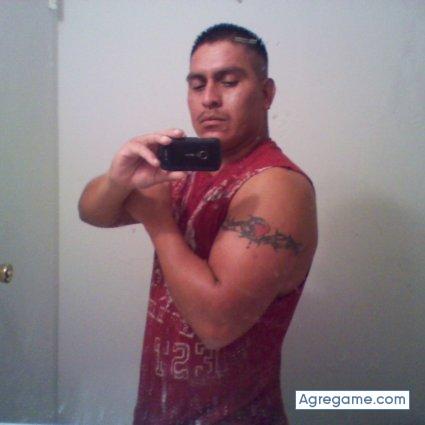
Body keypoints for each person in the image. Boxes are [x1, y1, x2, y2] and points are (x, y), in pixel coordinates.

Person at [78, 23, 317, 425]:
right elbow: (92, 212)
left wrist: (158, 223)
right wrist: (118, 180)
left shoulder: (277, 186)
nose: (209, 98)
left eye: (228, 81)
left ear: (266, 93)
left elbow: (216, 324)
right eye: (197, 84)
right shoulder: (187, 168)